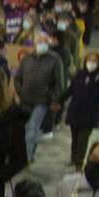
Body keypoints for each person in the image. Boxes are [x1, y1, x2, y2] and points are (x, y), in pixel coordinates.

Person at [15, 32, 64, 162]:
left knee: (33, 130)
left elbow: (59, 83)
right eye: (39, 42)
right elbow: (18, 78)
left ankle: (26, 158)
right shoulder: (27, 59)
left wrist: (54, 100)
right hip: (25, 100)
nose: (41, 44)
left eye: (44, 42)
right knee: (25, 130)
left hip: (42, 101)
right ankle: (28, 152)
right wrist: (21, 91)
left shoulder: (55, 60)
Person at [62, 52, 99, 172]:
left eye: (94, 61)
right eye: (89, 60)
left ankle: (79, 163)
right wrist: (59, 100)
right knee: (75, 137)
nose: (91, 63)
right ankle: (73, 158)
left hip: (90, 114)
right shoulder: (80, 74)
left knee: (83, 139)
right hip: (76, 111)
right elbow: (71, 89)